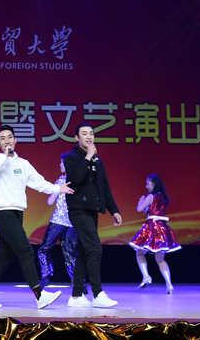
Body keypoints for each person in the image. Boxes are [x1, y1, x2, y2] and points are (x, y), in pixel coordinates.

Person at [0, 125, 72, 310]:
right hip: (4, 214)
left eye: (10, 137)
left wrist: (58, 189)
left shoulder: (23, 164)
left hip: (17, 214)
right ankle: (39, 295)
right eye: (3, 138)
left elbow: (39, 183)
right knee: (26, 251)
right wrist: (4, 156)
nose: (7, 141)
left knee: (3, 257)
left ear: (15, 140)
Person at [63, 122, 122, 309]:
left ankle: (76, 296)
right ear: (77, 137)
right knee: (95, 249)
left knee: (84, 251)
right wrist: (88, 157)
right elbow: (75, 179)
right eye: (84, 134)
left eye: (91, 133)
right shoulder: (71, 157)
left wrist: (114, 210)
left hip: (92, 210)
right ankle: (97, 294)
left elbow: (104, 187)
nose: (89, 137)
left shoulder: (98, 161)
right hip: (78, 210)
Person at [128, 174, 180, 294]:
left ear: (154, 184)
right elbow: (151, 211)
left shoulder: (151, 196)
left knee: (139, 252)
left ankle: (146, 276)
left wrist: (140, 202)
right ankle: (169, 284)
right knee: (160, 259)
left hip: (152, 227)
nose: (146, 186)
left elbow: (139, 209)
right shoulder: (163, 197)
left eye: (148, 184)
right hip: (163, 228)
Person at [37, 155, 78, 288]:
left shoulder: (61, 180)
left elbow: (50, 201)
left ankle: (46, 276)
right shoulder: (79, 180)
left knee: (44, 249)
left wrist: (56, 190)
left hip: (58, 221)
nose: (60, 164)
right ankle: (79, 283)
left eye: (62, 162)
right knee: (70, 254)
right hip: (72, 223)